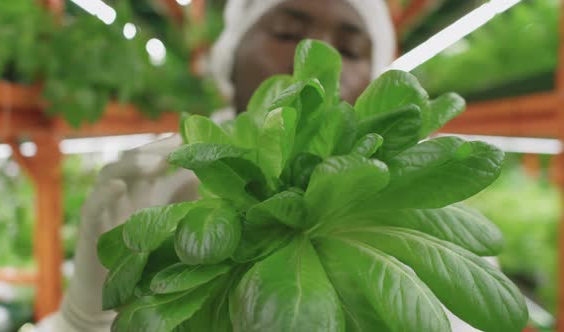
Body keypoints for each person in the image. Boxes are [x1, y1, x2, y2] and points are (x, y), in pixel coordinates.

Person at [37, 0, 485, 331]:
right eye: (287, 35)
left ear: (374, 80)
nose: (314, 58)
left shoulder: (417, 213)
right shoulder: (155, 182)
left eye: (350, 49)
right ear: (229, 57)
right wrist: (79, 321)